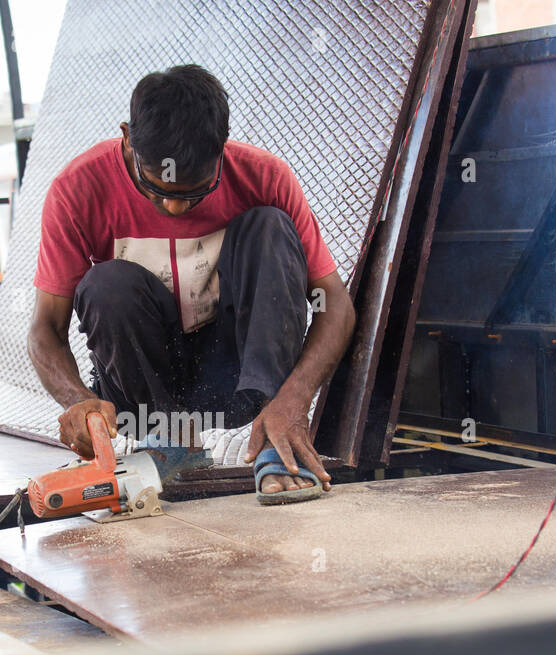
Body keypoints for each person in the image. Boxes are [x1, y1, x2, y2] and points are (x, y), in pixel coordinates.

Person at [26, 64, 355, 504]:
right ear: (127, 137)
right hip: (146, 390)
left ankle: (277, 442)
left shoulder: (265, 177)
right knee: (106, 284)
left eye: (195, 192)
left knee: (271, 229)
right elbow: (45, 328)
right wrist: (77, 400)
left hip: (237, 379)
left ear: (221, 148)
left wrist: (295, 400)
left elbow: (335, 303)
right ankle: (167, 438)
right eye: (156, 188)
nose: (175, 208)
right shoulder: (79, 188)